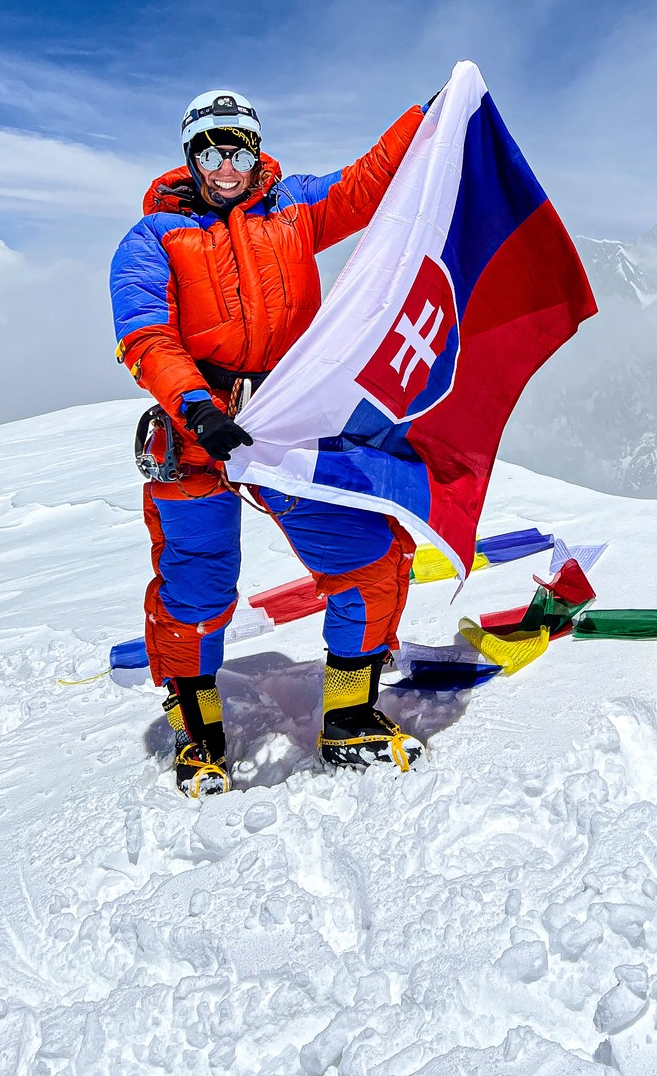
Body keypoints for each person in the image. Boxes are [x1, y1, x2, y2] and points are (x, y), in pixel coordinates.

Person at [110, 88, 431, 796]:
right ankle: (199, 734)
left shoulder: (293, 206)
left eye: (238, 148)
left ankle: (349, 720)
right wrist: (198, 409)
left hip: (287, 425)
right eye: (210, 153)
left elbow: (366, 184)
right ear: (191, 157)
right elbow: (145, 336)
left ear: (256, 151)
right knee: (195, 587)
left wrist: (426, 116)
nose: (226, 165)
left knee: (369, 561)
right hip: (197, 435)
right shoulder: (152, 238)